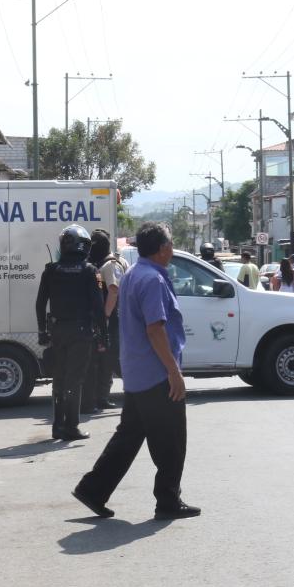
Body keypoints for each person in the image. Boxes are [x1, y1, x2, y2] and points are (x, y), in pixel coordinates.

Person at [73, 222, 199, 520]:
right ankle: (168, 500)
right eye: (169, 244)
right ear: (162, 248)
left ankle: (93, 489)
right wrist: (173, 371)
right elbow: (155, 329)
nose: (171, 248)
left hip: (136, 369)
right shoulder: (152, 279)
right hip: (155, 373)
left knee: (129, 436)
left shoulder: (133, 273)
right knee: (171, 440)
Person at [36, 225, 105, 441]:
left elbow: (40, 304)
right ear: (83, 245)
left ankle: (58, 426)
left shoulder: (50, 270)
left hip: (57, 331)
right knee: (74, 380)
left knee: (59, 378)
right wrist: (104, 334)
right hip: (81, 332)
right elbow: (98, 306)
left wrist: (42, 330)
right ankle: (72, 427)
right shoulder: (91, 271)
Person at [82, 229, 126, 413]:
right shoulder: (109, 262)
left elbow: (113, 290)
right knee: (106, 359)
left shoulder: (110, 265)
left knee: (110, 359)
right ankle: (101, 397)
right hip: (111, 318)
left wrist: (105, 318)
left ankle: (105, 397)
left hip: (112, 319)